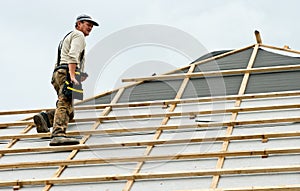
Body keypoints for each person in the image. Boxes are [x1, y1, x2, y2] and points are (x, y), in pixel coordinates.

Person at [33, 14, 99, 146]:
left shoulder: (69, 36)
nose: (90, 27)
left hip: (59, 73)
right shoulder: (78, 36)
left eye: (92, 26)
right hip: (67, 73)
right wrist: (73, 75)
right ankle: (58, 134)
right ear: (79, 24)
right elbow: (72, 55)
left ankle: (46, 118)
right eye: (88, 24)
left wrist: (79, 74)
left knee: (70, 111)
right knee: (65, 102)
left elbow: (66, 58)